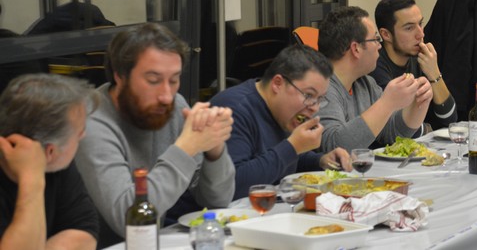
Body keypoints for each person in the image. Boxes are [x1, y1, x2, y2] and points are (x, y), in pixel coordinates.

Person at [75, 23, 235, 248]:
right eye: (153, 80)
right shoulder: (89, 121)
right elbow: (128, 220)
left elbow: (217, 200)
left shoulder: (173, 106)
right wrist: (186, 148)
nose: (167, 96)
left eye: (174, 80)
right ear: (120, 76)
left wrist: (213, 148)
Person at [209, 44, 352, 200]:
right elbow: (232, 186)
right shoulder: (233, 110)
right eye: (309, 95)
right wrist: (293, 147)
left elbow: (281, 158)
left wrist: (320, 160)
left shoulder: (283, 111)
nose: (315, 107)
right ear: (278, 83)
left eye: (320, 99)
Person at [0, 73, 99, 250]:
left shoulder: (58, 166)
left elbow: (85, 232)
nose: (83, 135)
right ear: (50, 152)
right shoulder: (38, 173)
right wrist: (32, 180)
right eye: (78, 133)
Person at [317, 6, 433, 152]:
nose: (379, 46)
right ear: (356, 49)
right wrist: (387, 103)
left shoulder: (365, 83)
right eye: (376, 39)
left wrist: (419, 103)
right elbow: (334, 146)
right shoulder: (320, 87)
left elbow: (392, 133)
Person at [371, 0, 457, 130]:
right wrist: (427, 129)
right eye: (409, 28)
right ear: (386, 34)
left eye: (420, 24)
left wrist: (434, 73)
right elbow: (398, 125)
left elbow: (449, 118)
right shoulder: (374, 64)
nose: (421, 34)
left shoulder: (421, 59)